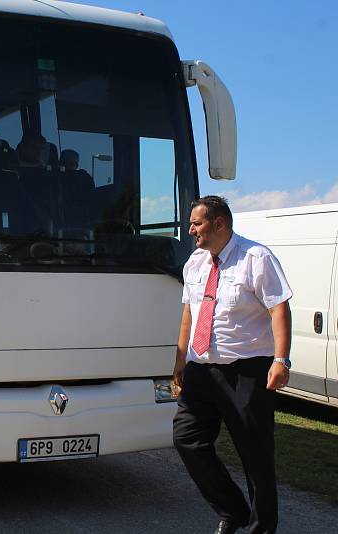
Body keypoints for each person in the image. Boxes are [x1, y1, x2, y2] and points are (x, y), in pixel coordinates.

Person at [173, 196, 292, 534]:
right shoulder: (195, 262)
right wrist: (180, 360)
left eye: (196, 223)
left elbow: (279, 309)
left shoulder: (257, 258)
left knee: (255, 455)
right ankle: (233, 510)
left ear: (219, 223)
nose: (190, 229)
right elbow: (189, 314)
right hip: (200, 369)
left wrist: (280, 360)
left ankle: (260, 527)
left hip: (246, 372)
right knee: (187, 439)